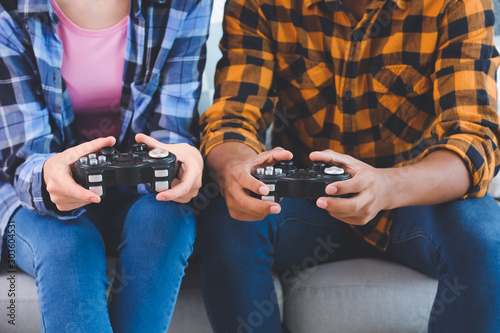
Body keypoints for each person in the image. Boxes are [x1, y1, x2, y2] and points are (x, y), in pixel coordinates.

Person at [199, 0, 500, 331]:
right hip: (308, 201)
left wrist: (385, 187)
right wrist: (236, 169)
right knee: (228, 213)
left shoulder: (456, 4)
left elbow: (474, 139)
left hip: (412, 199)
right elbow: (234, 117)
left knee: (485, 231)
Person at [0, 0, 212, 331]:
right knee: (69, 245)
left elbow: (170, 132)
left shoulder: (184, 4)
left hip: (137, 194)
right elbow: (24, 156)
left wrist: (180, 161)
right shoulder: (10, 10)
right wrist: (48, 178)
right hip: (28, 193)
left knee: (165, 220)